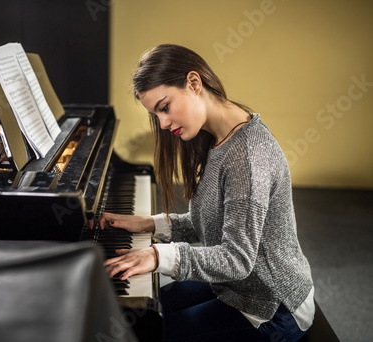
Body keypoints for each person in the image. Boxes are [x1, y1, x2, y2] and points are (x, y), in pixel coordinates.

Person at [97, 44, 315, 341]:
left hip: (271, 307)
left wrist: (160, 254)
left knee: (149, 333)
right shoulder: (217, 137)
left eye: (164, 107)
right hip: (237, 287)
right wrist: (150, 225)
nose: (162, 124)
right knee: (143, 312)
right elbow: (212, 220)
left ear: (194, 83)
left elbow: (237, 259)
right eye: (155, 115)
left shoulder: (247, 156)